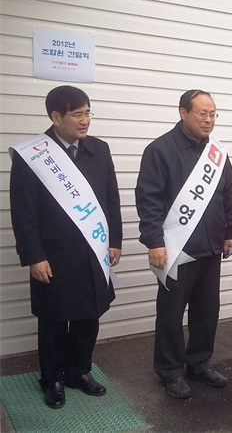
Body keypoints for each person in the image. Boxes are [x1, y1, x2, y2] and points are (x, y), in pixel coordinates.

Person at [9, 85, 123, 409]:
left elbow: (110, 199)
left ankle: (79, 372)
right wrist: (34, 256)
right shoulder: (33, 155)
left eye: (88, 113)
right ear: (55, 116)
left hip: (92, 251)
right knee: (54, 319)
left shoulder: (99, 149)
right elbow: (23, 212)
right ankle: (52, 379)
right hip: (53, 255)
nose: (85, 120)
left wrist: (114, 241)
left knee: (89, 315)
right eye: (77, 114)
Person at [135, 89, 232, 399]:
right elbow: (149, 200)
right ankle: (170, 370)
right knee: (171, 314)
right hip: (175, 249)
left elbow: (227, 195)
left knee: (206, 311)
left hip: (211, 246)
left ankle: (199, 362)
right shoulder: (160, 150)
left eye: (213, 114)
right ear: (183, 113)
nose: (209, 120)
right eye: (202, 113)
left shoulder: (216, 153)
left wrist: (231, 231)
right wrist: (154, 242)